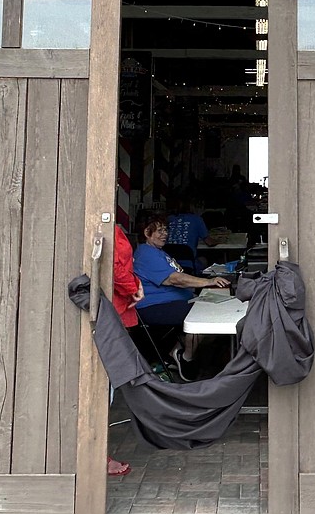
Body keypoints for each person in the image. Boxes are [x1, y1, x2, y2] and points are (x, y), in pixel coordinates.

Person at [133, 217, 229, 379]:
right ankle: (186, 357)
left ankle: (178, 350)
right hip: (155, 306)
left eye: (166, 230)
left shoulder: (158, 251)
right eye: (160, 230)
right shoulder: (146, 254)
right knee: (203, 317)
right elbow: (174, 279)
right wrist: (208, 282)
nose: (165, 234)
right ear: (147, 233)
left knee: (213, 310)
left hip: (174, 301)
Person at [108, 223, 143, 477]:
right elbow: (115, 267)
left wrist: (135, 283)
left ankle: (98, 452)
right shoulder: (107, 228)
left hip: (112, 311)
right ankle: (97, 455)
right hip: (112, 313)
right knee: (104, 389)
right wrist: (133, 287)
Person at [166, 196, 215, 270]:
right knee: (204, 260)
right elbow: (209, 242)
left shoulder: (169, 219)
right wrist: (219, 240)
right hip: (189, 264)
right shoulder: (197, 219)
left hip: (169, 264)